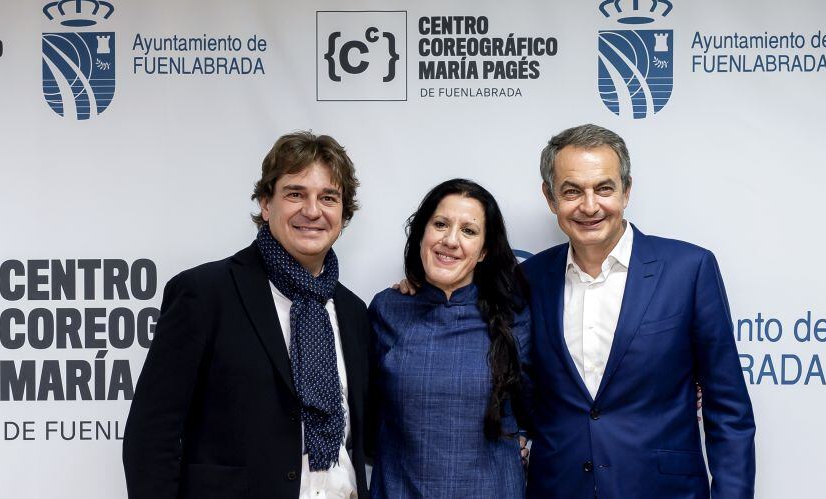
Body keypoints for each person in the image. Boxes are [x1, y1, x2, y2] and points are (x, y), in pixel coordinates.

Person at [122, 132, 371, 499]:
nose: (312, 210)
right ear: (266, 203)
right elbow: (152, 434)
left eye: (328, 198)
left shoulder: (353, 312)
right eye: (295, 193)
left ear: (343, 215)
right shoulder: (204, 294)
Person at [521, 124, 755, 498]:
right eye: (571, 191)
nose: (590, 205)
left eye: (604, 188)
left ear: (627, 190)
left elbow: (729, 411)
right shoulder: (528, 279)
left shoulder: (689, 269)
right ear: (550, 198)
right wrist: (419, 287)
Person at [368, 179, 531, 498]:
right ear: (422, 234)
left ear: (484, 250)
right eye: (440, 224)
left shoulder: (514, 316)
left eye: (469, 231)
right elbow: (365, 415)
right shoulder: (386, 309)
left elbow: (540, 408)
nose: (450, 240)